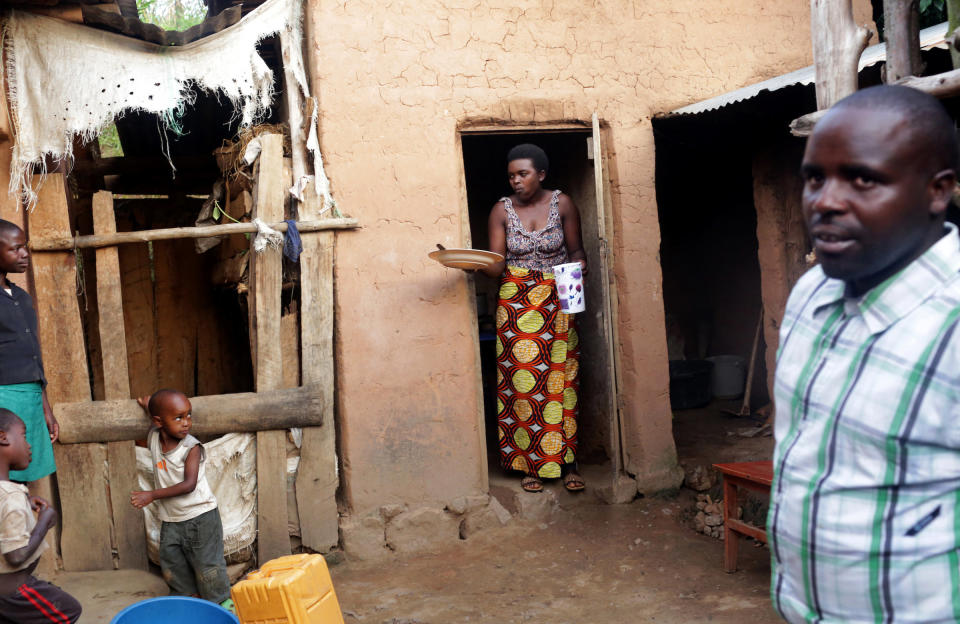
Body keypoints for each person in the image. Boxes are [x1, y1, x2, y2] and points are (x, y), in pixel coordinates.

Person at [769, 84, 960, 622]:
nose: (825, 202)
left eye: (864, 179)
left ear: (937, 191)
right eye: (814, 178)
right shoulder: (811, 293)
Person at [477, 143, 587, 493]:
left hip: (560, 297)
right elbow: (496, 265)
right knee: (523, 382)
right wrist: (478, 262)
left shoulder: (563, 203)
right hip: (517, 301)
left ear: (540, 174)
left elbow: (576, 250)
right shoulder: (500, 211)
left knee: (562, 381)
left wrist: (580, 267)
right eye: (511, 175)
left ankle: (567, 463)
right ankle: (531, 465)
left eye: (522, 174)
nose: (516, 181)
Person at [130, 389, 231, 607]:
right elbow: (156, 416)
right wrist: (149, 406)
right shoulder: (154, 437)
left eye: (188, 415)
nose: (186, 422)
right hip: (172, 520)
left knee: (208, 568)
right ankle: (189, 603)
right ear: (158, 421)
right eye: (178, 417)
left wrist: (152, 495)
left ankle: (223, 608)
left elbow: (189, 484)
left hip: (201, 517)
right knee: (172, 564)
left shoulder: (191, 447)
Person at [0, 408, 81, 623]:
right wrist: (44, 523)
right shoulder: (11, 497)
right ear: (2, 438)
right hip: (13, 591)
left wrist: (26, 501)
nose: (28, 445)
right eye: (24, 435)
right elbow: (15, 557)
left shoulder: (9, 496)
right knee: (69, 611)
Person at [0, 220, 57, 484]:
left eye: (25, 247)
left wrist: (45, 407)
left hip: (31, 397)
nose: (25, 254)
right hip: (4, 399)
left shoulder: (21, 296)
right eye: (16, 248)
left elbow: (33, 357)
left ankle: (19, 523)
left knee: (22, 473)